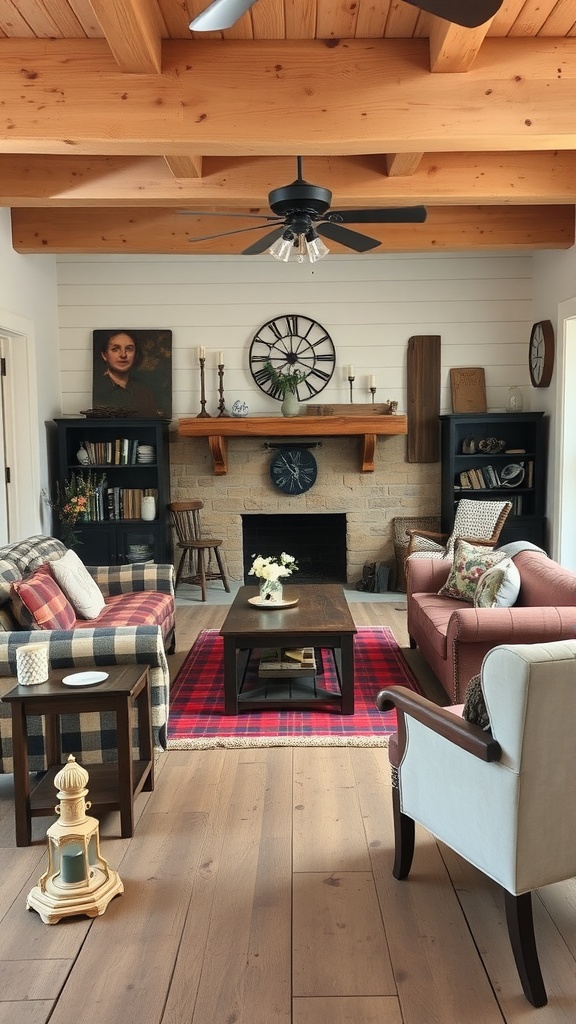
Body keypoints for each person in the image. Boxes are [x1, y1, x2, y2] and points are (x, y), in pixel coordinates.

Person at [93, 330, 164, 417]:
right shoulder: (98, 389)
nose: (123, 355)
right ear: (104, 355)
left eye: (129, 349)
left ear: (135, 354)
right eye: (115, 349)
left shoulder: (145, 391)